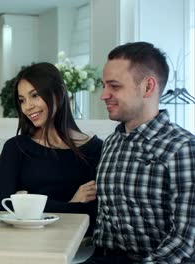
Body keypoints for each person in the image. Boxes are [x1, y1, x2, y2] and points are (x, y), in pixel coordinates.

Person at [83, 42, 195, 263]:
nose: (103, 95)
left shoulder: (182, 149)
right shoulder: (112, 142)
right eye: (104, 85)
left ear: (148, 87)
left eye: (114, 86)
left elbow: (185, 242)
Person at [0, 62, 103, 234]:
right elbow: (1, 205)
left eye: (35, 95)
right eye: (22, 100)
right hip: (24, 243)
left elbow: (93, 212)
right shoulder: (16, 148)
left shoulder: (95, 149)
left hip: (77, 246)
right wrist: (71, 204)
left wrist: (27, 202)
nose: (27, 106)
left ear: (59, 93)